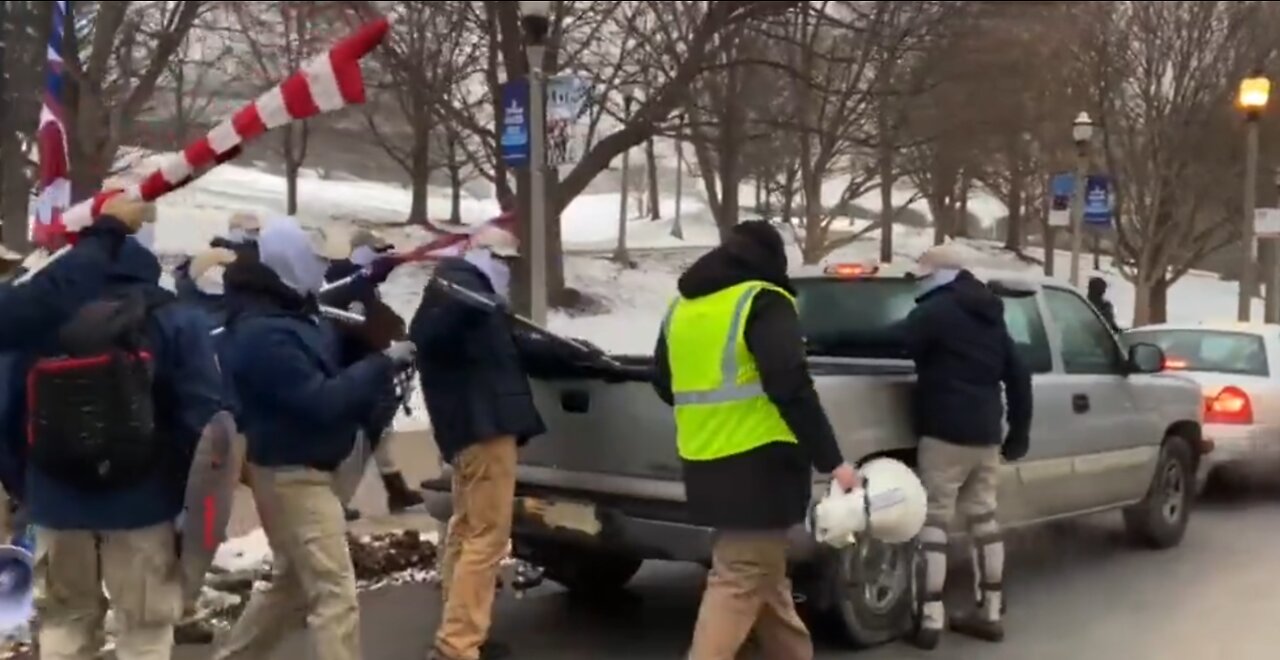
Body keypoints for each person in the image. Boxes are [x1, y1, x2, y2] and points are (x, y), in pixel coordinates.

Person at [0, 196, 223, 660]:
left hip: (56, 502)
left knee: (64, 625)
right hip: (143, 503)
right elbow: (202, 415)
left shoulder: (38, 314)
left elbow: (6, 411)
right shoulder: (172, 315)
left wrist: (32, 488)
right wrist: (176, 489)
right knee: (144, 631)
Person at [651, 220, 860, 660]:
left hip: (704, 458)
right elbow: (791, 385)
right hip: (761, 465)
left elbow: (663, 381)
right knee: (742, 577)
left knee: (767, 579)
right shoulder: (763, 300)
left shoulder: (682, 308)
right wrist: (834, 461)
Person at [211, 216, 413, 660]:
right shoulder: (265, 333)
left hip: (299, 467)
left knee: (292, 583)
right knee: (334, 593)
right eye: (312, 259)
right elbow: (319, 401)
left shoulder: (291, 313)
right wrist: (381, 364)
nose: (320, 269)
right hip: (292, 474)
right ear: (287, 263)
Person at [410, 223, 548, 660]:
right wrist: (472, 304)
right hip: (484, 430)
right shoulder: (459, 293)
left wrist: (581, 355)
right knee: (486, 538)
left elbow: (514, 345)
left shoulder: (466, 296)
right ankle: (458, 644)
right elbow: (427, 338)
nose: (509, 272)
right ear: (490, 258)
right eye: (506, 263)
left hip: (467, 431)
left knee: (467, 531)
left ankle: (460, 631)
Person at [889, 244, 1033, 649]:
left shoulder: (936, 312)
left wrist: (825, 335)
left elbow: (896, 340)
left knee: (935, 520)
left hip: (944, 432)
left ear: (937, 274)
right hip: (986, 433)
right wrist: (1018, 432)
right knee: (983, 518)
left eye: (922, 275)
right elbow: (1019, 376)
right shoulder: (990, 314)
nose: (920, 282)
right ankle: (989, 611)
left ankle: (930, 617)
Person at [324, 228, 423, 515]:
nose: (383, 258)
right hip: (354, 364)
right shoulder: (346, 282)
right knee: (363, 438)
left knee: (379, 431)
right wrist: (391, 336)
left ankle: (396, 490)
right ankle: (339, 501)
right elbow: (360, 322)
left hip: (367, 363)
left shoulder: (358, 281)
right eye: (377, 251)